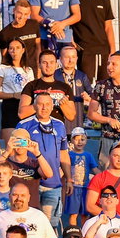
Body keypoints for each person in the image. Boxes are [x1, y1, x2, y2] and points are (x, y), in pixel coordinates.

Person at [15, 92, 71, 224]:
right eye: (40, 104)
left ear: (53, 106)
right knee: (28, 224)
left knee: (50, 226)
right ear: (34, 106)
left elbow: (63, 153)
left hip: (53, 183)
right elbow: (17, 152)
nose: (44, 108)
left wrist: (69, 179)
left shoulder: (59, 125)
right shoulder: (24, 125)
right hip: (30, 183)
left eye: (47, 104)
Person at [75, 0, 115, 82]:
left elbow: (108, 27)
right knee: (87, 86)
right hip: (84, 51)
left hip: (103, 49)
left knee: (104, 85)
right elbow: (69, 24)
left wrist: (112, 50)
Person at [0, 38, 35, 142]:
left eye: (17, 48)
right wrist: (13, 95)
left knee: (26, 142)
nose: (14, 51)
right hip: (10, 106)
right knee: (11, 143)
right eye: (11, 48)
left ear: (23, 50)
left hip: (25, 105)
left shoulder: (29, 70)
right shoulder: (2, 68)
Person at [18, 49, 76, 123]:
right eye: (44, 63)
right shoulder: (31, 86)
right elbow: (21, 114)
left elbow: (71, 117)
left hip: (56, 129)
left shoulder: (65, 87)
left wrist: (63, 105)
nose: (48, 66)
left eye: (51, 62)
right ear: (39, 65)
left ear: (56, 65)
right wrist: (40, 101)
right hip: (35, 128)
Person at [86, 144, 120, 219]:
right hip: (102, 223)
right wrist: (112, 218)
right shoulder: (98, 179)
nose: (119, 160)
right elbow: (90, 206)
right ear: (109, 157)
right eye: (116, 156)